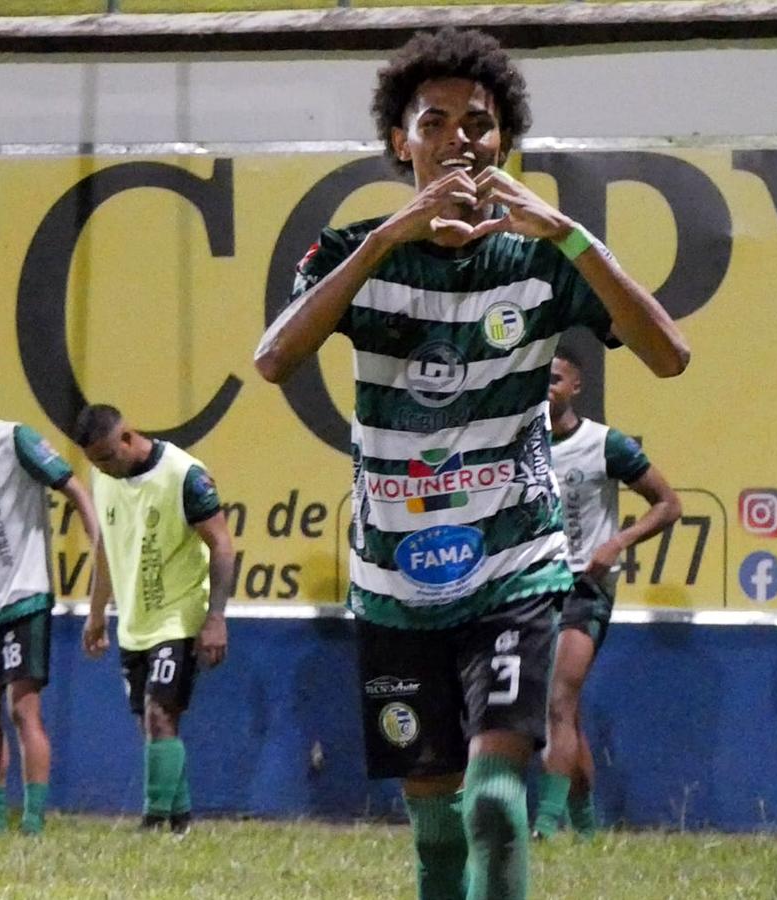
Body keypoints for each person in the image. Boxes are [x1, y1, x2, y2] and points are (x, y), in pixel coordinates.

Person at [254, 27, 688, 900]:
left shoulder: (540, 259)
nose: (459, 138)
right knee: (438, 832)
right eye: (435, 121)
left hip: (513, 565)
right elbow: (274, 359)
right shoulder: (350, 252)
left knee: (492, 801)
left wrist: (566, 231)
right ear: (400, 143)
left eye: (479, 123)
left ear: (504, 142)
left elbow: (669, 354)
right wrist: (390, 236)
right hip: (394, 580)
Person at [0, 357, 100, 834]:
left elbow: (74, 488)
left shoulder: (15, 440)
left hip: (23, 595)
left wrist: (99, 547)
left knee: (22, 708)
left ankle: (32, 821)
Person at [531, 345, 682, 840]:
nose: (545, 389)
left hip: (584, 587)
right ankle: (586, 828)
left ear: (575, 386)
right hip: (532, 585)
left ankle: (545, 826)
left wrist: (616, 543)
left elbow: (668, 504)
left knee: (558, 701)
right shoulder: (519, 444)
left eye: (555, 379)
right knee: (565, 715)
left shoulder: (604, 444)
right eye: (539, 378)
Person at [73, 404, 233, 835]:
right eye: (94, 463)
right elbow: (105, 547)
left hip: (179, 616)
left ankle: (153, 821)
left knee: (160, 712)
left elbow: (221, 544)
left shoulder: (184, 475)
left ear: (128, 437)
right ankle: (180, 821)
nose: (103, 469)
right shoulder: (105, 477)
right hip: (134, 622)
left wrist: (216, 617)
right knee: (152, 724)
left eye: (107, 457)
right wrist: (96, 613)